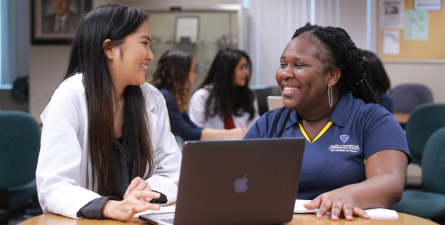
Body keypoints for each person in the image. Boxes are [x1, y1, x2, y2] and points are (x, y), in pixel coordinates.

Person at [244, 24, 410, 221]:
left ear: (332, 76)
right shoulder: (270, 123)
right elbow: (238, 180)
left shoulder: (372, 119)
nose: (285, 74)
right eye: (283, 64)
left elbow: (391, 182)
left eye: (298, 65)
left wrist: (350, 195)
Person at [36, 4, 181, 221]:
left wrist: (148, 188)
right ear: (110, 49)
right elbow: (54, 186)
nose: (151, 55)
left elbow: (174, 173)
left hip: (139, 219)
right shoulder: (70, 96)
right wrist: (109, 207)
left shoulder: (151, 98)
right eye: (144, 43)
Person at [150, 50, 247, 141]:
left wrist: (231, 133)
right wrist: (230, 134)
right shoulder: (165, 96)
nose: (195, 75)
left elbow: (193, 127)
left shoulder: (167, 95)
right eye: (192, 71)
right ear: (180, 73)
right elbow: (188, 133)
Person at [189, 47, 260, 130]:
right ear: (227, 70)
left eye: (246, 67)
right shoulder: (201, 97)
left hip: (246, 143)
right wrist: (233, 135)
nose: (246, 72)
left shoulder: (248, 94)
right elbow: (197, 133)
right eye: (241, 68)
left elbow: (257, 128)